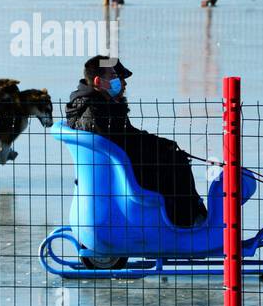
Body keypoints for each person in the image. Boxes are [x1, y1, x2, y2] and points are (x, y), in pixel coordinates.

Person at [65, 56, 208, 229]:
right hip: (119, 176)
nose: (123, 83)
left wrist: (163, 145)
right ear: (98, 81)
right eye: (115, 76)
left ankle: (191, 218)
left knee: (174, 158)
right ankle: (187, 224)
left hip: (118, 170)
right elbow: (123, 144)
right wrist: (162, 151)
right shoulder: (94, 112)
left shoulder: (98, 106)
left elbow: (128, 137)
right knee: (177, 165)